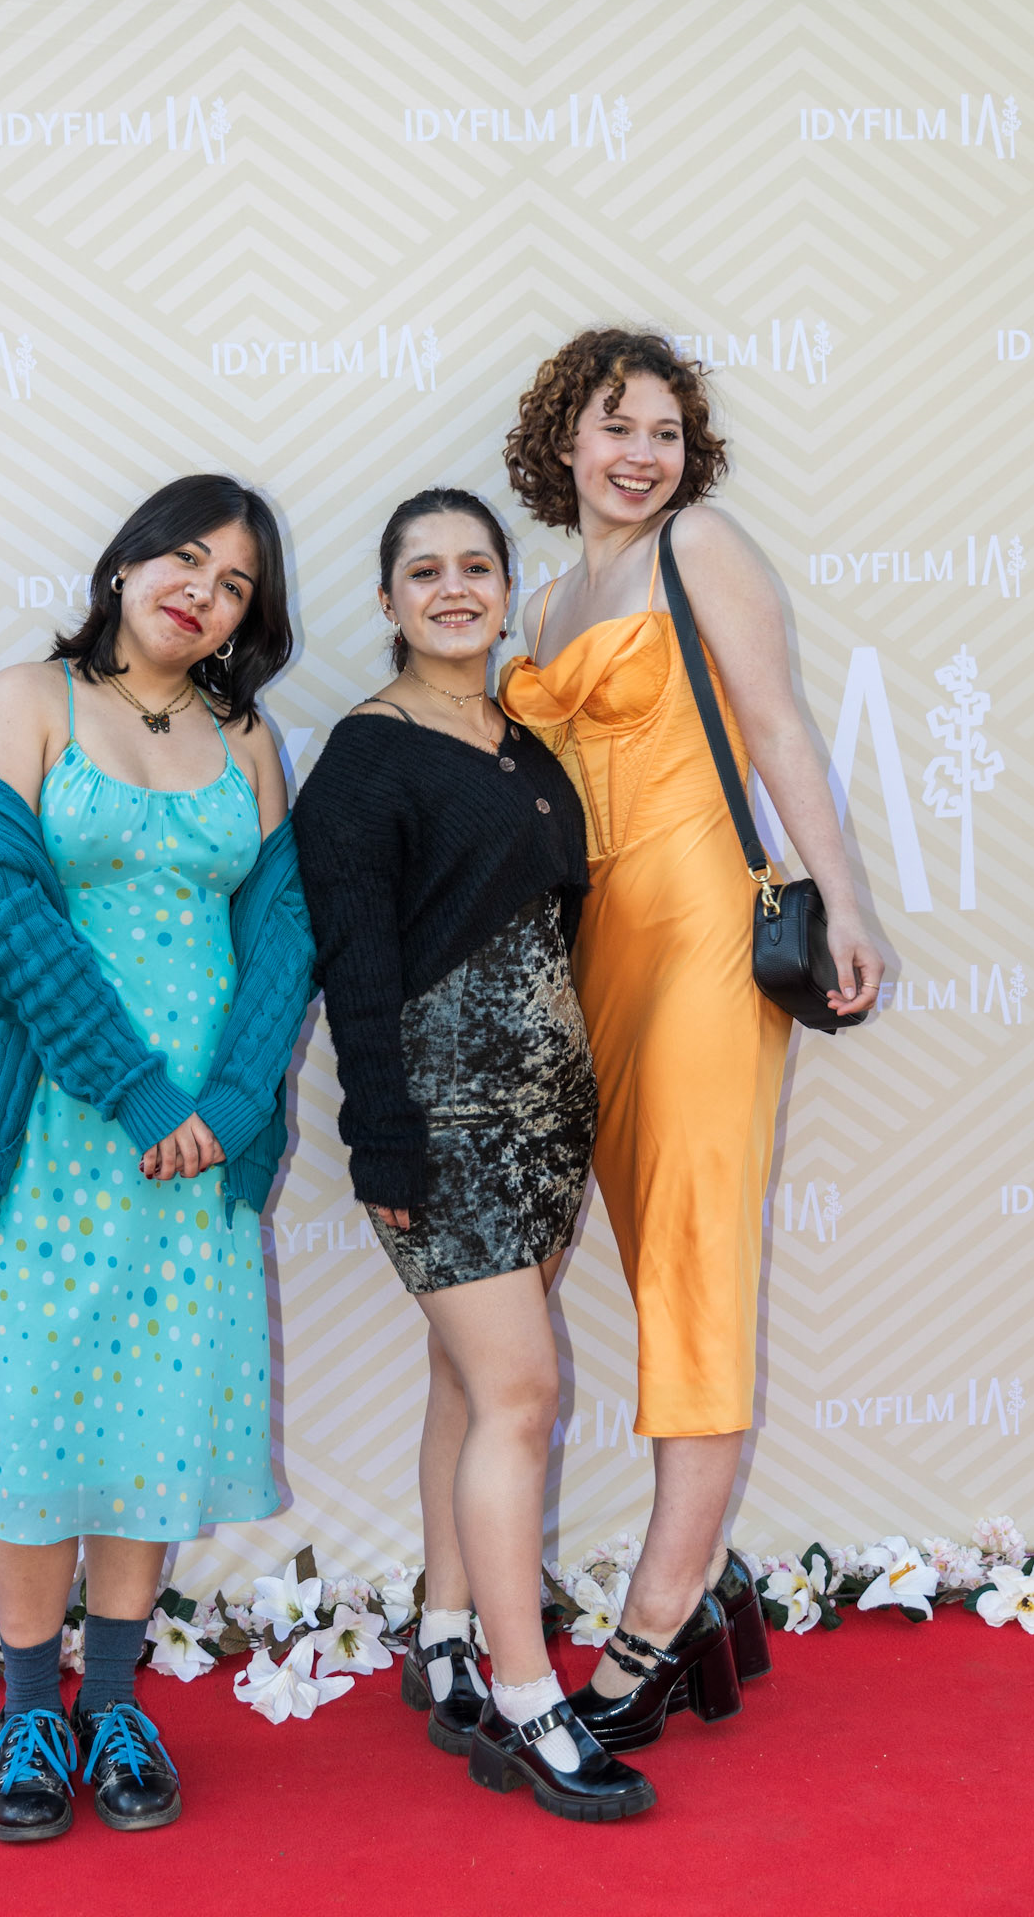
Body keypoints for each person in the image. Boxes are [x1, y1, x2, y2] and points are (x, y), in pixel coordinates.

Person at [501, 329, 884, 1752]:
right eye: (616, 427)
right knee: (605, 1255)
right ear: (564, 441)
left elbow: (776, 728)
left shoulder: (700, 548)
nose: (641, 455)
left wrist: (846, 901)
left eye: (664, 431)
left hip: (706, 945)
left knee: (692, 1275)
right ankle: (708, 1586)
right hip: (586, 961)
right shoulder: (542, 601)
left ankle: (653, 1631)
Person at [0, 474, 316, 1841]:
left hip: (200, 1148)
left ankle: (110, 1702)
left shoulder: (248, 739)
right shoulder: (28, 700)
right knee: (38, 1411)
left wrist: (228, 1100)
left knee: (157, 1411)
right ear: (125, 563)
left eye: (235, 584)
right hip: (61, 1129)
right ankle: (27, 1712)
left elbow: (282, 937)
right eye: (185, 558)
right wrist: (140, 1093)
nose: (201, 591)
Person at [293, 487, 653, 1823]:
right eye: (423, 571)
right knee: (522, 1396)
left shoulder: (525, 743)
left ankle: (444, 1630)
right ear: (388, 601)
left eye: (476, 567)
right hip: (442, 1131)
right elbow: (355, 968)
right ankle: (525, 1699)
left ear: (506, 588)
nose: (453, 588)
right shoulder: (363, 758)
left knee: (467, 1378)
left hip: (547, 1121)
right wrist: (380, 1138)